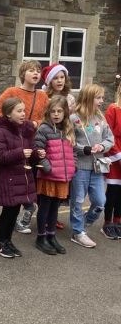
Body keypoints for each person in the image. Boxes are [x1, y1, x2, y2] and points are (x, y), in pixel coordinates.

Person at [0, 60, 48, 235]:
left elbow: (47, 118)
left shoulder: (43, 96)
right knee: (14, 191)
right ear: (23, 73)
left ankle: (23, 218)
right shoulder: (12, 92)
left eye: (38, 70)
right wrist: (12, 126)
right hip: (13, 141)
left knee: (29, 185)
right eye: (31, 70)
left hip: (33, 141)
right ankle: (7, 232)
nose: (35, 73)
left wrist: (35, 123)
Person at [0, 98, 44, 258]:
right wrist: (20, 153)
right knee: (8, 211)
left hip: (22, 176)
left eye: (23, 110)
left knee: (14, 211)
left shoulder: (25, 130)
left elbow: (31, 149)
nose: (23, 114)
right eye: (19, 111)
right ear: (8, 114)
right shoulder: (0, 132)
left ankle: (8, 240)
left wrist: (37, 153)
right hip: (9, 177)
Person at [69, 84, 114, 248]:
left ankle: (83, 224)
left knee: (100, 202)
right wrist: (85, 149)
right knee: (78, 200)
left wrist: (102, 146)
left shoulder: (101, 119)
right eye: (98, 98)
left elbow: (110, 139)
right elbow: (69, 143)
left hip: (97, 168)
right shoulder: (74, 119)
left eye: (102, 97)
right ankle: (77, 231)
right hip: (80, 167)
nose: (102, 101)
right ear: (88, 98)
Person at [34, 96, 76, 255]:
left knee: (54, 209)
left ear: (65, 112)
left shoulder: (68, 129)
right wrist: (48, 168)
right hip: (49, 176)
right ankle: (41, 237)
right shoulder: (44, 129)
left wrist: (74, 167)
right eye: (53, 111)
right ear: (48, 112)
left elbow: (74, 151)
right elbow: (39, 151)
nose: (56, 114)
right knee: (45, 207)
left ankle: (51, 236)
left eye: (59, 111)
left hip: (63, 177)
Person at [41, 63, 76, 230]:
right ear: (49, 81)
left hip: (63, 144)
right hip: (48, 145)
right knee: (45, 193)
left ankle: (51, 220)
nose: (60, 80)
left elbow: (71, 120)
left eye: (62, 77)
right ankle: (42, 222)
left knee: (57, 196)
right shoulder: (44, 96)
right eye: (56, 78)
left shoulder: (69, 98)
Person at [102, 81, 121, 239]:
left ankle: (118, 221)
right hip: (116, 157)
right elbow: (109, 135)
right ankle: (107, 223)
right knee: (113, 191)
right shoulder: (113, 109)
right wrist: (118, 156)